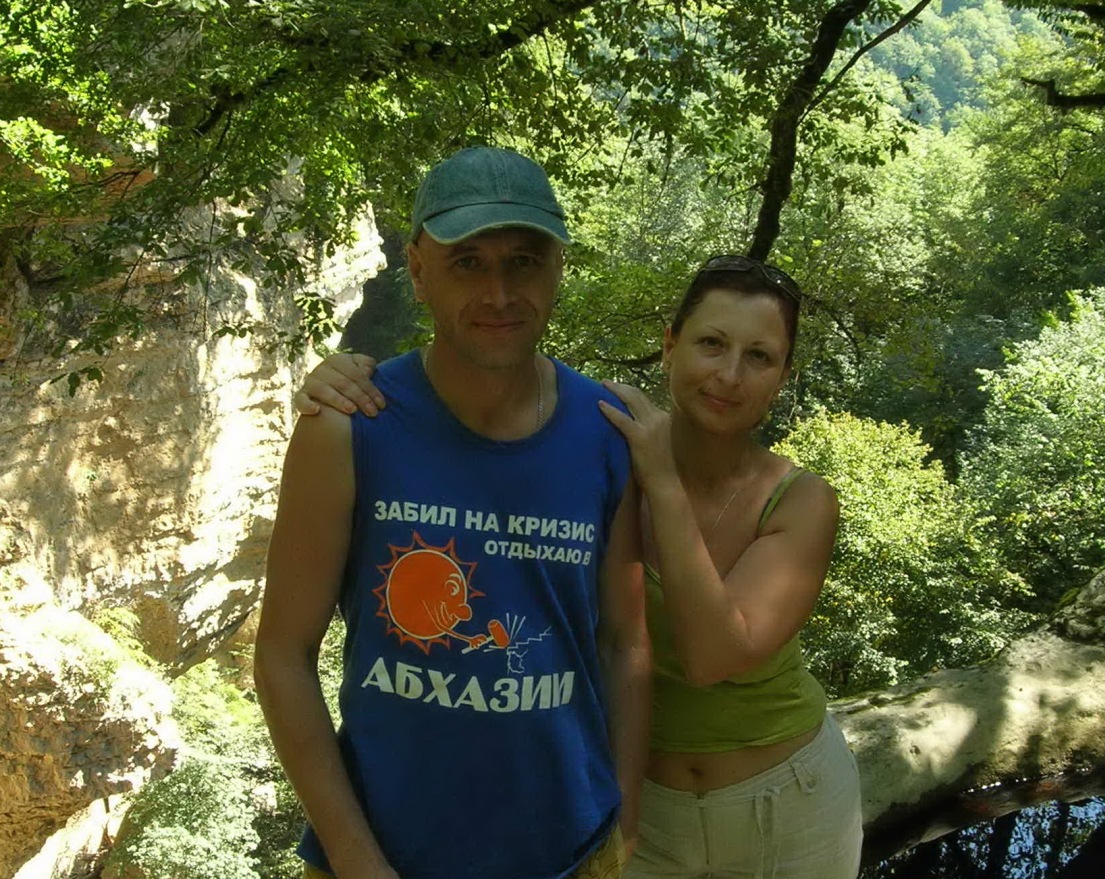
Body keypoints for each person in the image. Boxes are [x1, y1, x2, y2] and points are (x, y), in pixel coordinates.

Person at [303, 255, 863, 878]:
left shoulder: (801, 499)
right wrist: (341, 379)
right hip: (641, 808)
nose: (729, 375)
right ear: (670, 346)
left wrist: (664, 484)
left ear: (782, 376)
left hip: (787, 802)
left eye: (759, 357)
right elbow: (485, 438)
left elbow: (712, 656)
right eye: (711, 343)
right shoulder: (596, 445)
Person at [255, 145, 651, 879]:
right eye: (467, 262)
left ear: (557, 269)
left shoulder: (609, 434)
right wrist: (355, 859)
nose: (499, 293)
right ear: (417, 270)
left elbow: (625, 643)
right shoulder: (349, 426)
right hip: (382, 853)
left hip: (572, 851)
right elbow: (283, 653)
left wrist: (622, 817)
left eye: (524, 261)